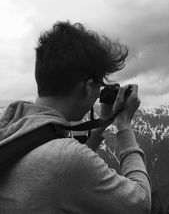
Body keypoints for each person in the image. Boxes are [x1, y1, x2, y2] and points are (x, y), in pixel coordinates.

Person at [0, 21, 151, 213]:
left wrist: (98, 130)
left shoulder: (10, 124)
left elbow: (59, 171)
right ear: (88, 87)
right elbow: (140, 203)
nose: (98, 93)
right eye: (99, 85)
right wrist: (125, 126)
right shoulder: (65, 158)